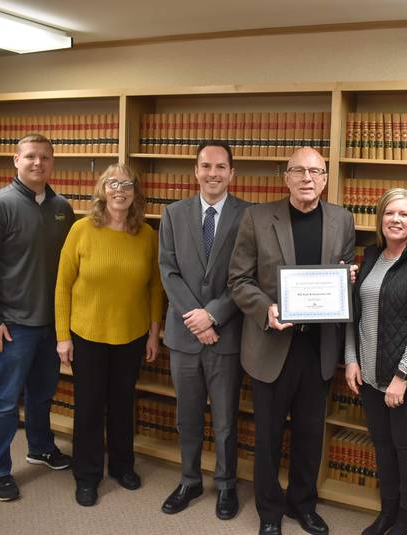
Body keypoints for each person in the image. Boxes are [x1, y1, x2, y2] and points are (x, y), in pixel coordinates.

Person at [229, 147, 355, 535]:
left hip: (317, 349)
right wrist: (265, 309)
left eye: (315, 171)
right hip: (271, 347)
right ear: (285, 177)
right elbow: (238, 280)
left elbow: (344, 275)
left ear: (325, 178)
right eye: (298, 171)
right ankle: (269, 511)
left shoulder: (342, 220)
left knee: (309, 435)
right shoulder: (257, 217)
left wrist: (345, 281)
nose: (306, 178)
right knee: (266, 437)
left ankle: (303, 504)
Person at [0, 133, 75, 502]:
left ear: (52, 162)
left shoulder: (62, 207)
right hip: (12, 325)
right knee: (3, 400)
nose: (37, 163)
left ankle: (40, 447)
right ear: (16, 160)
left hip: (51, 324)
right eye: (30, 156)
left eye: (45, 157)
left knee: (43, 393)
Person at [54, 163, 163, 507]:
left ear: (135, 193)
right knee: (88, 408)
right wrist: (63, 336)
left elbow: (156, 289)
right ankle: (86, 476)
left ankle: (121, 466)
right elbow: (62, 286)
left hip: (131, 336)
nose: (120, 190)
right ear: (102, 190)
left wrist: (154, 333)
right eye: (112, 183)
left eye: (127, 185)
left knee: (121, 404)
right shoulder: (81, 230)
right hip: (87, 335)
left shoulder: (147, 235)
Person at [158, 141, 250, 520]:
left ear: (232, 173)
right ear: (195, 171)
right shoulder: (173, 213)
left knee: (226, 420)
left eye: (220, 167)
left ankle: (226, 484)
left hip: (227, 336)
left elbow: (248, 275)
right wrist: (196, 318)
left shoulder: (249, 215)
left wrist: (213, 316)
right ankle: (189, 479)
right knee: (188, 415)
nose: (213, 173)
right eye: (205, 166)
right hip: (183, 336)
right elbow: (169, 271)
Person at [344, 188, 407, 535]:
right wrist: (351, 359)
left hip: (406, 380)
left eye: (403, 214)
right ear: (380, 218)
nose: (395, 220)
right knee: (383, 448)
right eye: (389, 213)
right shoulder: (370, 256)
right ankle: (387, 513)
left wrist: (402, 376)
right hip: (370, 376)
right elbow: (353, 314)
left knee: (406, 450)